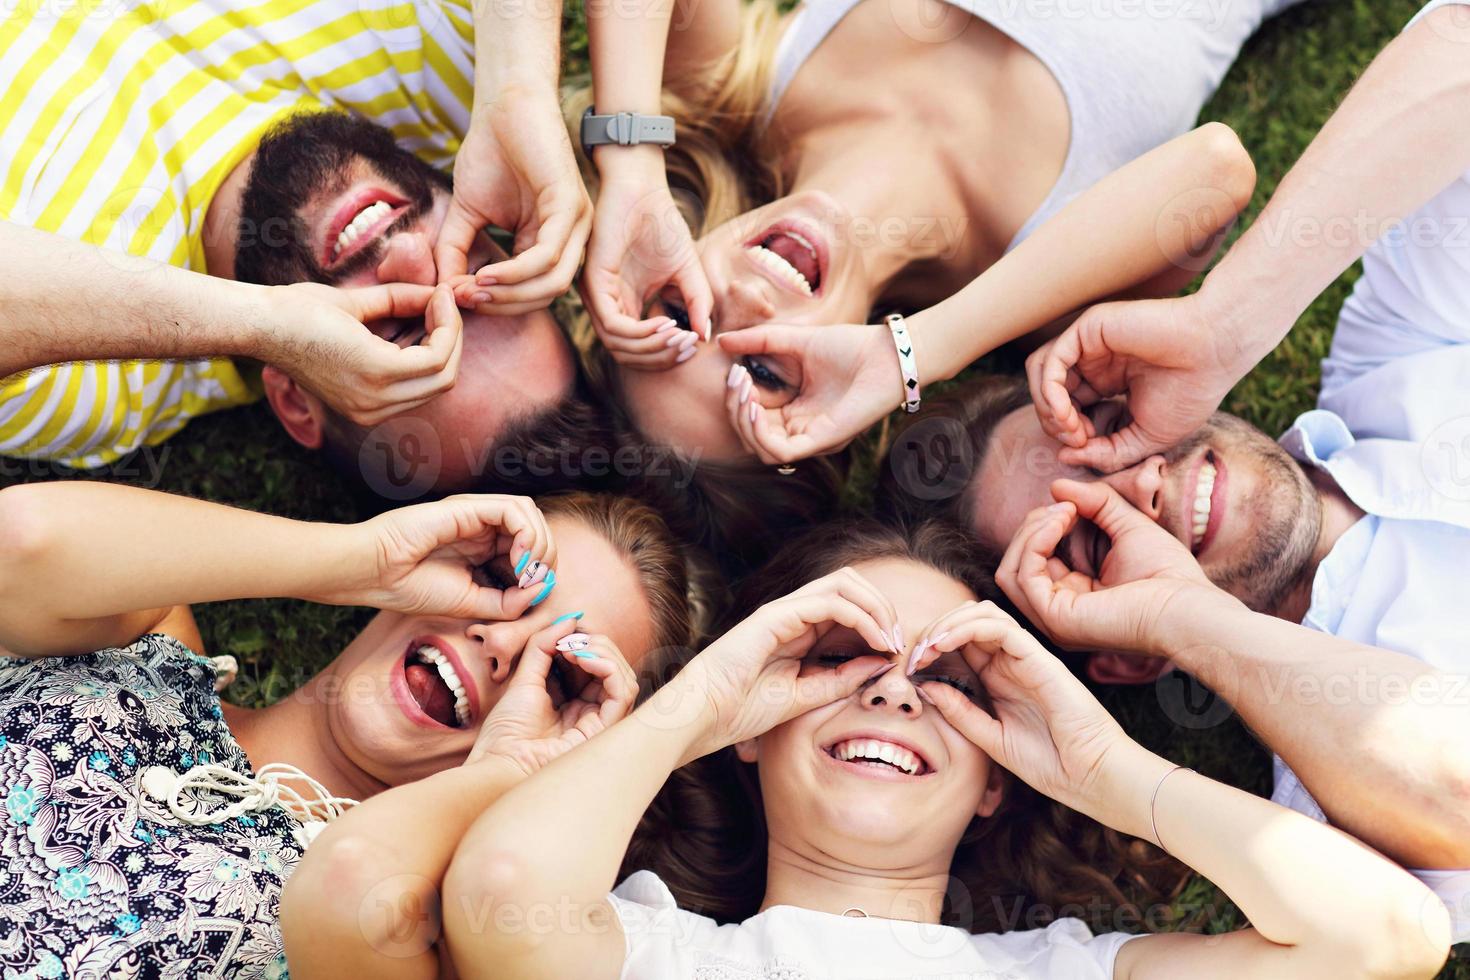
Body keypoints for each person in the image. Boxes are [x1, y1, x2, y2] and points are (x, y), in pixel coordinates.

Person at [920, 0, 1470, 939]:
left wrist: (1223, 326)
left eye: (1103, 430)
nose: (1135, 485)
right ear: (1124, 650)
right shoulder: (1340, 798)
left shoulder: (1402, 351)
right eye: (1093, 539)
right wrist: (1190, 619)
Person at [432, 519, 1451, 979]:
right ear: (751, 728)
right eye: (837, 657)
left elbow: (1386, 934)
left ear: (997, 784)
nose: (890, 688)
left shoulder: (1062, 971)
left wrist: (1112, 773)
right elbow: (500, 888)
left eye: (949, 679)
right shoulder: (654, 951)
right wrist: (694, 707)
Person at [0, 483, 691, 977]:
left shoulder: (391, 941)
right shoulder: (150, 633)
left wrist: (513, 770)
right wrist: (366, 560)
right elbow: (20, 541)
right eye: (503, 579)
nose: (502, 645)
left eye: (561, 676)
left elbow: (356, 882)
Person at [572, 0, 1305, 464]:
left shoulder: (735, 89)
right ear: (834, 396)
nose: (744, 305)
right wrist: (911, 359)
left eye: (681, 313)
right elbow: (1216, 171)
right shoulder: (1039, 286)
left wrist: (631, 171)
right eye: (762, 370)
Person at [0, 0, 590, 475]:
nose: (409, 251)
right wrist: (520, 88)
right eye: (475, 268)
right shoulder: (453, 80)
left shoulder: (90, 378)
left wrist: (261, 325)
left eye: (402, 330)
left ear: (296, 402)